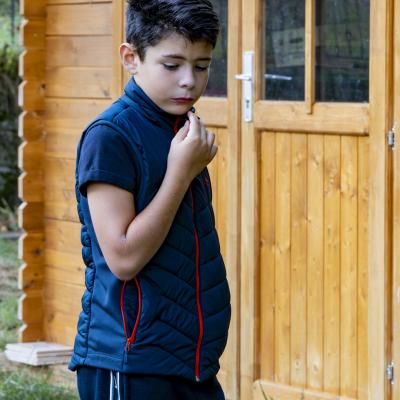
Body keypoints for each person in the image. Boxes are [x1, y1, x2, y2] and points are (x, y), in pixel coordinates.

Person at [68, 0, 231, 398]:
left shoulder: (181, 129)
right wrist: (180, 173)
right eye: (171, 65)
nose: (189, 81)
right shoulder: (110, 136)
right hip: (129, 364)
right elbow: (123, 259)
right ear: (131, 58)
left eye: (202, 66)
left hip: (191, 364)